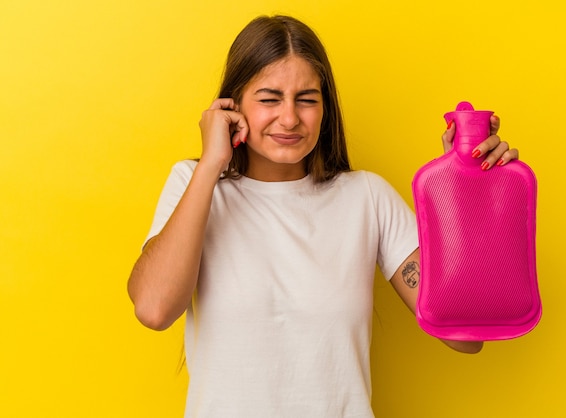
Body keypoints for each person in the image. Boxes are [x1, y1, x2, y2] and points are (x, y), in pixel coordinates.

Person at [127, 14, 519, 417]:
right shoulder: (195, 184)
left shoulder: (366, 197)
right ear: (232, 105)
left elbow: (465, 336)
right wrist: (211, 164)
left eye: (307, 99)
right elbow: (154, 309)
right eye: (269, 98)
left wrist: (467, 193)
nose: (290, 118)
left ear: (325, 108)